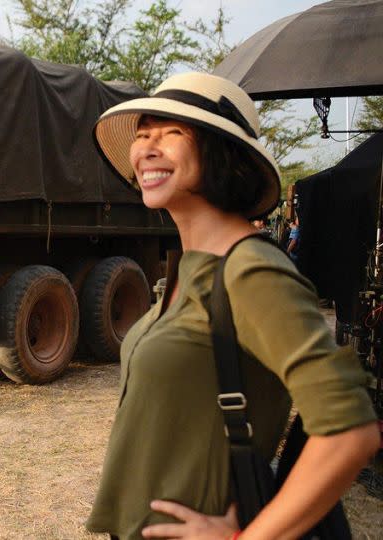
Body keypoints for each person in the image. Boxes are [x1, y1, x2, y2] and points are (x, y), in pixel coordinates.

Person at [87, 72, 379, 539]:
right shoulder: (188, 271)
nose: (147, 148)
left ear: (221, 153)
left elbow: (349, 430)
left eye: (172, 133)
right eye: (142, 135)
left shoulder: (251, 270)